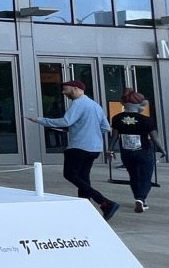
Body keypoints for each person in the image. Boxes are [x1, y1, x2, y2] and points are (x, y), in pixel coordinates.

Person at [26, 79, 117, 220]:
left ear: (75, 88)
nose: (64, 92)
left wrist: (40, 120)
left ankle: (104, 201)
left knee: (70, 174)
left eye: (66, 89)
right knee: (83, 178)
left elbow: (66, 121)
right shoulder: (95, 105)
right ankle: (86, 208)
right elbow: (105, 127)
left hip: (79, 146)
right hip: (94, 147)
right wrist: (82, 128)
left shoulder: (78, 103)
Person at [108, 89, 156, 214]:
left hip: (126, 152)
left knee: (133, 176)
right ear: (137, 105)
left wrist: (110, 149)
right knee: (145, 177)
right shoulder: (146, 120)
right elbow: (154, 138)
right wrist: (162, 149)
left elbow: (114, 136)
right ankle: (141, 198)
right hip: (144, 151)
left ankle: (137, 197)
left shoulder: (117, 118)